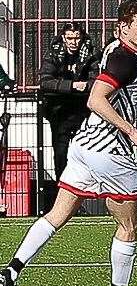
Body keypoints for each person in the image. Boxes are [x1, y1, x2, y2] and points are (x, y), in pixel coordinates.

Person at [0, 0, 137, 286]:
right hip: (111, 152)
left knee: (58, 213)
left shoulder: (118, 52)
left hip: (84, 145)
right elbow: (96, 99)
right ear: (123, 27)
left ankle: (9, 272)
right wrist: (131, 131)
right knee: (130, 224)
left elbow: (115, 90)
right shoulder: (125, 59)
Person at [39, 24, 99, 181]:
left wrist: (86, 85)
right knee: (60, 153)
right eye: (70, 38)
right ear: (64, 38)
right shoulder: (54, 53)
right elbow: (45, 81)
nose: (74, 42)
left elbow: (98, 80)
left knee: (85, 153)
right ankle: (62, 188)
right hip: (59, 112)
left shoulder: (90, 53)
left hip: (83, 110)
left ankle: (82, 190)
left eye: (77, 38)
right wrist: (72, 86)